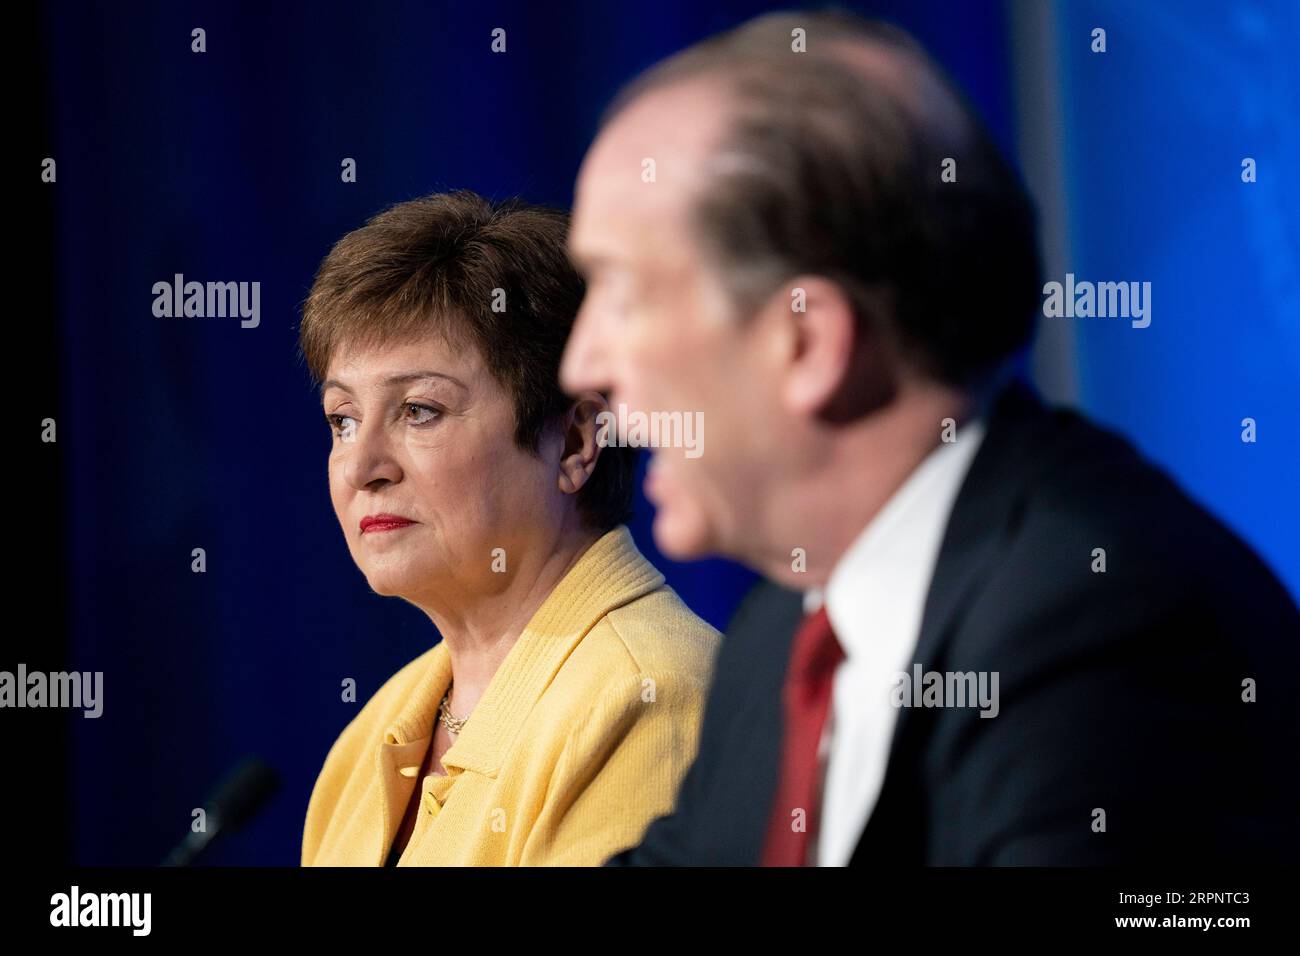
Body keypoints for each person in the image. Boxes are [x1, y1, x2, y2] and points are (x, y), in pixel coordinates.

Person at [559, 12, 1300, 865]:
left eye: (621, 294)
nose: (584, 365)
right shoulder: (783, 636)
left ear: (807, 343)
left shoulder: (1108, 625)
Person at [299, 190, 719, 866]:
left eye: (419, 410)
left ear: (577, 441)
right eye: (342, 420)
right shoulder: (377, 731)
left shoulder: (648, 702)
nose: (362, 467)